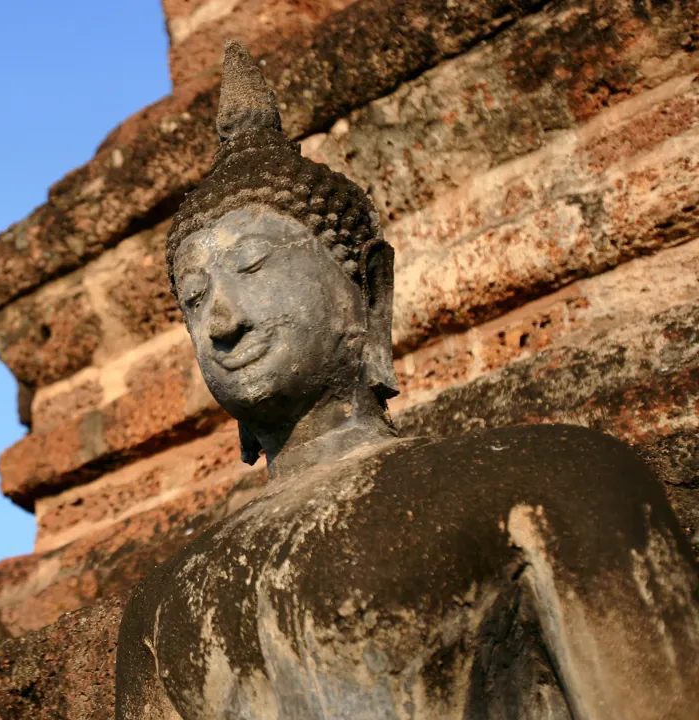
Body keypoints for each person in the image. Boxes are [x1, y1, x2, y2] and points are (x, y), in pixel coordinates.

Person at [114, 40, 699, 720]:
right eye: (193, 297)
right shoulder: (161, 606)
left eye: (253, 266)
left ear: (369, 292)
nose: (222, 320)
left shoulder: (550, 478)